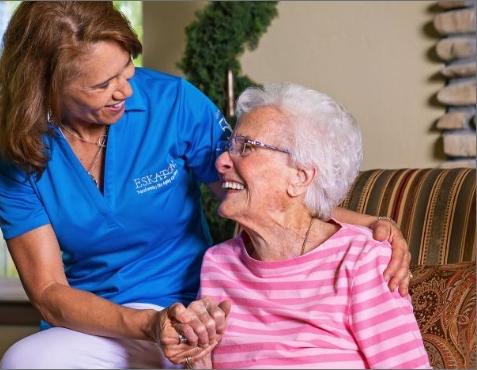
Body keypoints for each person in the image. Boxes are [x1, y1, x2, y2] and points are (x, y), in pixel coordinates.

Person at [0, 2, 413, 368]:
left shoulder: (172, 102)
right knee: (26, 360)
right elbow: (48, 292)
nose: (125, 89)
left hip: (196, 305)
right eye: (102, 84)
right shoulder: (14, 156)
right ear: (44, 86)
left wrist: (370, 224)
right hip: (103, 320)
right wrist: (148, 325)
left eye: (126, 67)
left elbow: (259, 186)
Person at [172, 83, 430, 369]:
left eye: (245, 147)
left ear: (300, 176)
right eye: (228, 147)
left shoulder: (361, 261)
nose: (220, 161)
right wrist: (197, 356)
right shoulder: (218, 264)